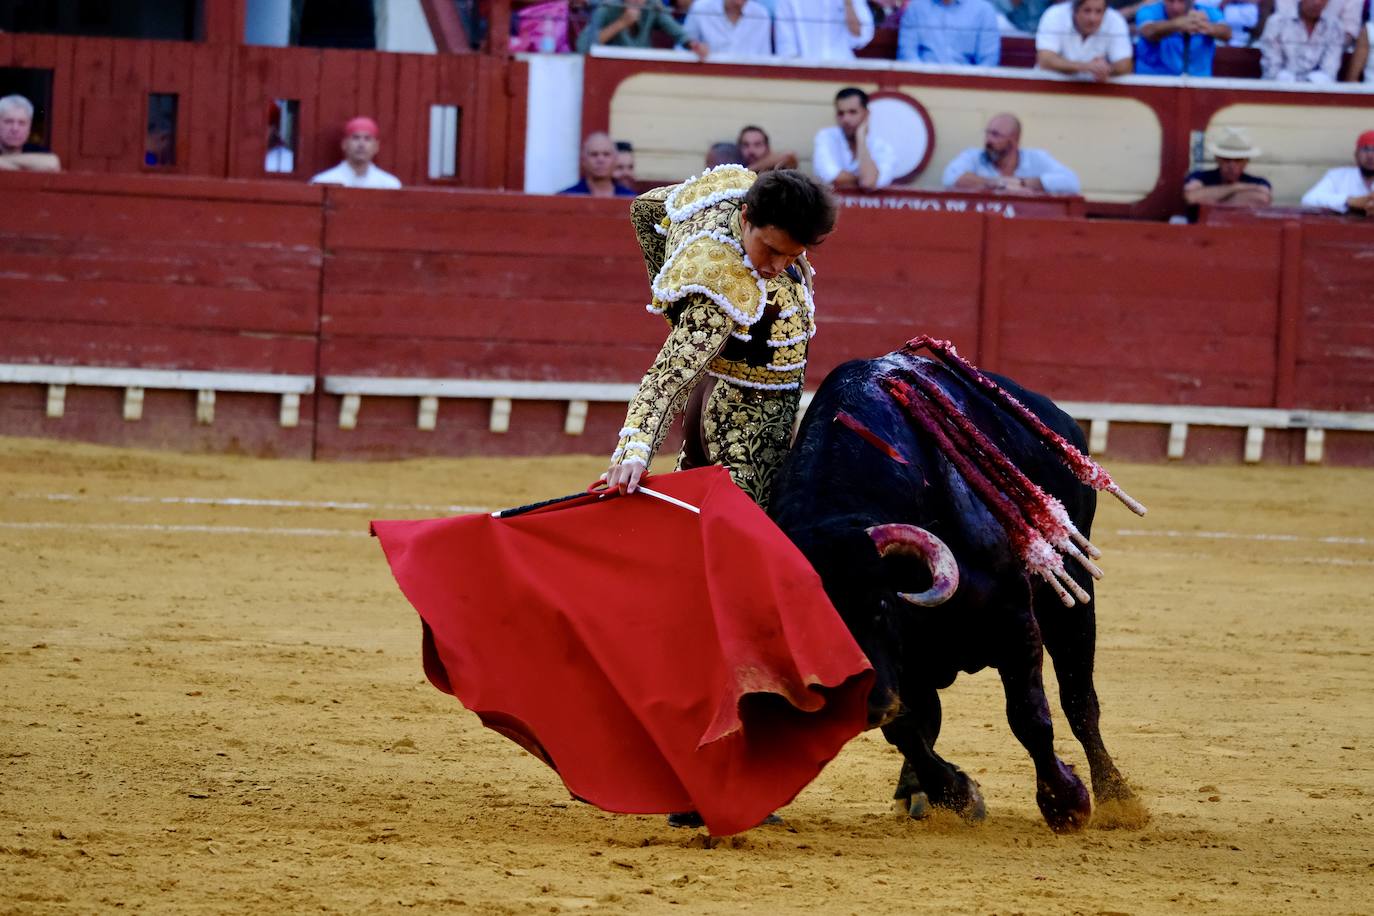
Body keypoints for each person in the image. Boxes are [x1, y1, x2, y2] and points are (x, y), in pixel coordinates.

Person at [603, 166, 837, 511]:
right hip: (749, 420)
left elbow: (648, 207)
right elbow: (669, 376)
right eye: (770, 249)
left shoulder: (728, 194)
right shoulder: (724, 285)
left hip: (708, 396)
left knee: (692, 519)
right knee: (751, 534)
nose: (777, 266)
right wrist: (634, 449)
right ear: (747, 217)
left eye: (791, 254)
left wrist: (673, 293)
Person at [941, 112, 1082, 195]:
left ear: (1014, 140)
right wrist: (999, 183)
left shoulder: (1036, 158)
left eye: (996, 135)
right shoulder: (973, 156)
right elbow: (950, 177)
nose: (988, 140)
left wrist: (1022, 183)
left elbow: (1072, 182)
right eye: (988, 133)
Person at [812, 87, 898, 190]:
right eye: (841, 113)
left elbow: (868, 182)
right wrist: (862, 177)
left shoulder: (881, 147)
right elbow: (832, 176)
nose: (846, 119)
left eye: (852, 112)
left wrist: (861, 137)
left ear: (866, 114)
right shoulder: (826, 137)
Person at [1181, 126, 1272, 222]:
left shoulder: (1259, 181)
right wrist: (1236, 187)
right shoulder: (1199, 176)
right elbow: (1191, 197)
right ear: (1217, 159)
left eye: (1238, 160)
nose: (1232, 165)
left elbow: (1262, 199)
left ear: (1246, 161)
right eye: (1226, 159)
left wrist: (1210, 197)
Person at [1035, 0, 1134, 81]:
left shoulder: (1115, 20)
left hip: (1096, 92)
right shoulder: (1054, 15)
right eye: (1087, 11)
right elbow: (1046, 60)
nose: (1092, 18)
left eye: (1098, 11)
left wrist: (1106, 69)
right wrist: (1086, 67)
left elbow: (1125, 65)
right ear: (1074, 10)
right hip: (1050, 87)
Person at [576, 0, 711, 58]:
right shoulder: (608, 6)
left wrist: (692, 44)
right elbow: (583, 46)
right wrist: (621, 23)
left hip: (641, 70)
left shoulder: (652, 6)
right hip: (609, 69)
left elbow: (677, 31)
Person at [1134, 0, 1231, 76]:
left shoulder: (1208, 12)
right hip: (1152, 83)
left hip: (1198, 84)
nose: (1175, 7)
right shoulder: (1149, 11)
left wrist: (1207, 27)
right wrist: (1178, 24)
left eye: (1182, 1)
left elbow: (1227, 34)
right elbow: (1149, 31)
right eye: (1170, 1)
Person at [1257, 0, 1345, 83]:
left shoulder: (1335, 27)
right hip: (1278, 89)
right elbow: (1272, 69)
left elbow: (1329, 71)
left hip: (1317, 92)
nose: (1317, 2)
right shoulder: (1277, 23)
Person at [897, 0, 1002, 66]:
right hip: (923, 82)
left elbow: (988, 61)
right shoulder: (916, 7)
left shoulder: (984, 10)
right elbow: (907, 53)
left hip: (967, 85)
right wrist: (924, 77)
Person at [309, 116, 401, 189]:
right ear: (344, 144)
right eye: (355, 138)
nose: (361, 144)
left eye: (367, 139)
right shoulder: (324, 182)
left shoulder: (389, 185)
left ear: (376, 147)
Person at [1300, 130, 1374, 215]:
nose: (1370, 156)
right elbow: (1308, 200)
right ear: (1356, 155)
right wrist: (1348, 201)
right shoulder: (1337, 176)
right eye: (1366, 149)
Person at [774, 0, 875, 61]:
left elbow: (861, 36)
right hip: (804, 69)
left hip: (844, 66)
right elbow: (786, 46)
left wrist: (848, 3)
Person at [560, 131, 638, 196]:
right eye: (594, 154)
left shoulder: (629, 198)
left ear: (615, 160)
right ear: (583, 160)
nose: (600, 160)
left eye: (606, 154)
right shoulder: (567, 196)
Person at [683, 0, 774, 56]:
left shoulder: (761, 15)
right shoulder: (700, 8)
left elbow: (764, 58)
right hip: (706, 79)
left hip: (748, 81)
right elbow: (682, 50)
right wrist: (697, 49)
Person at [0, 94, 60, 173]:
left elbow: (52, 164)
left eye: (22, 123)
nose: (15, 129)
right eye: (8, 122)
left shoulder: (36, 151)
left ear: (29, 127)